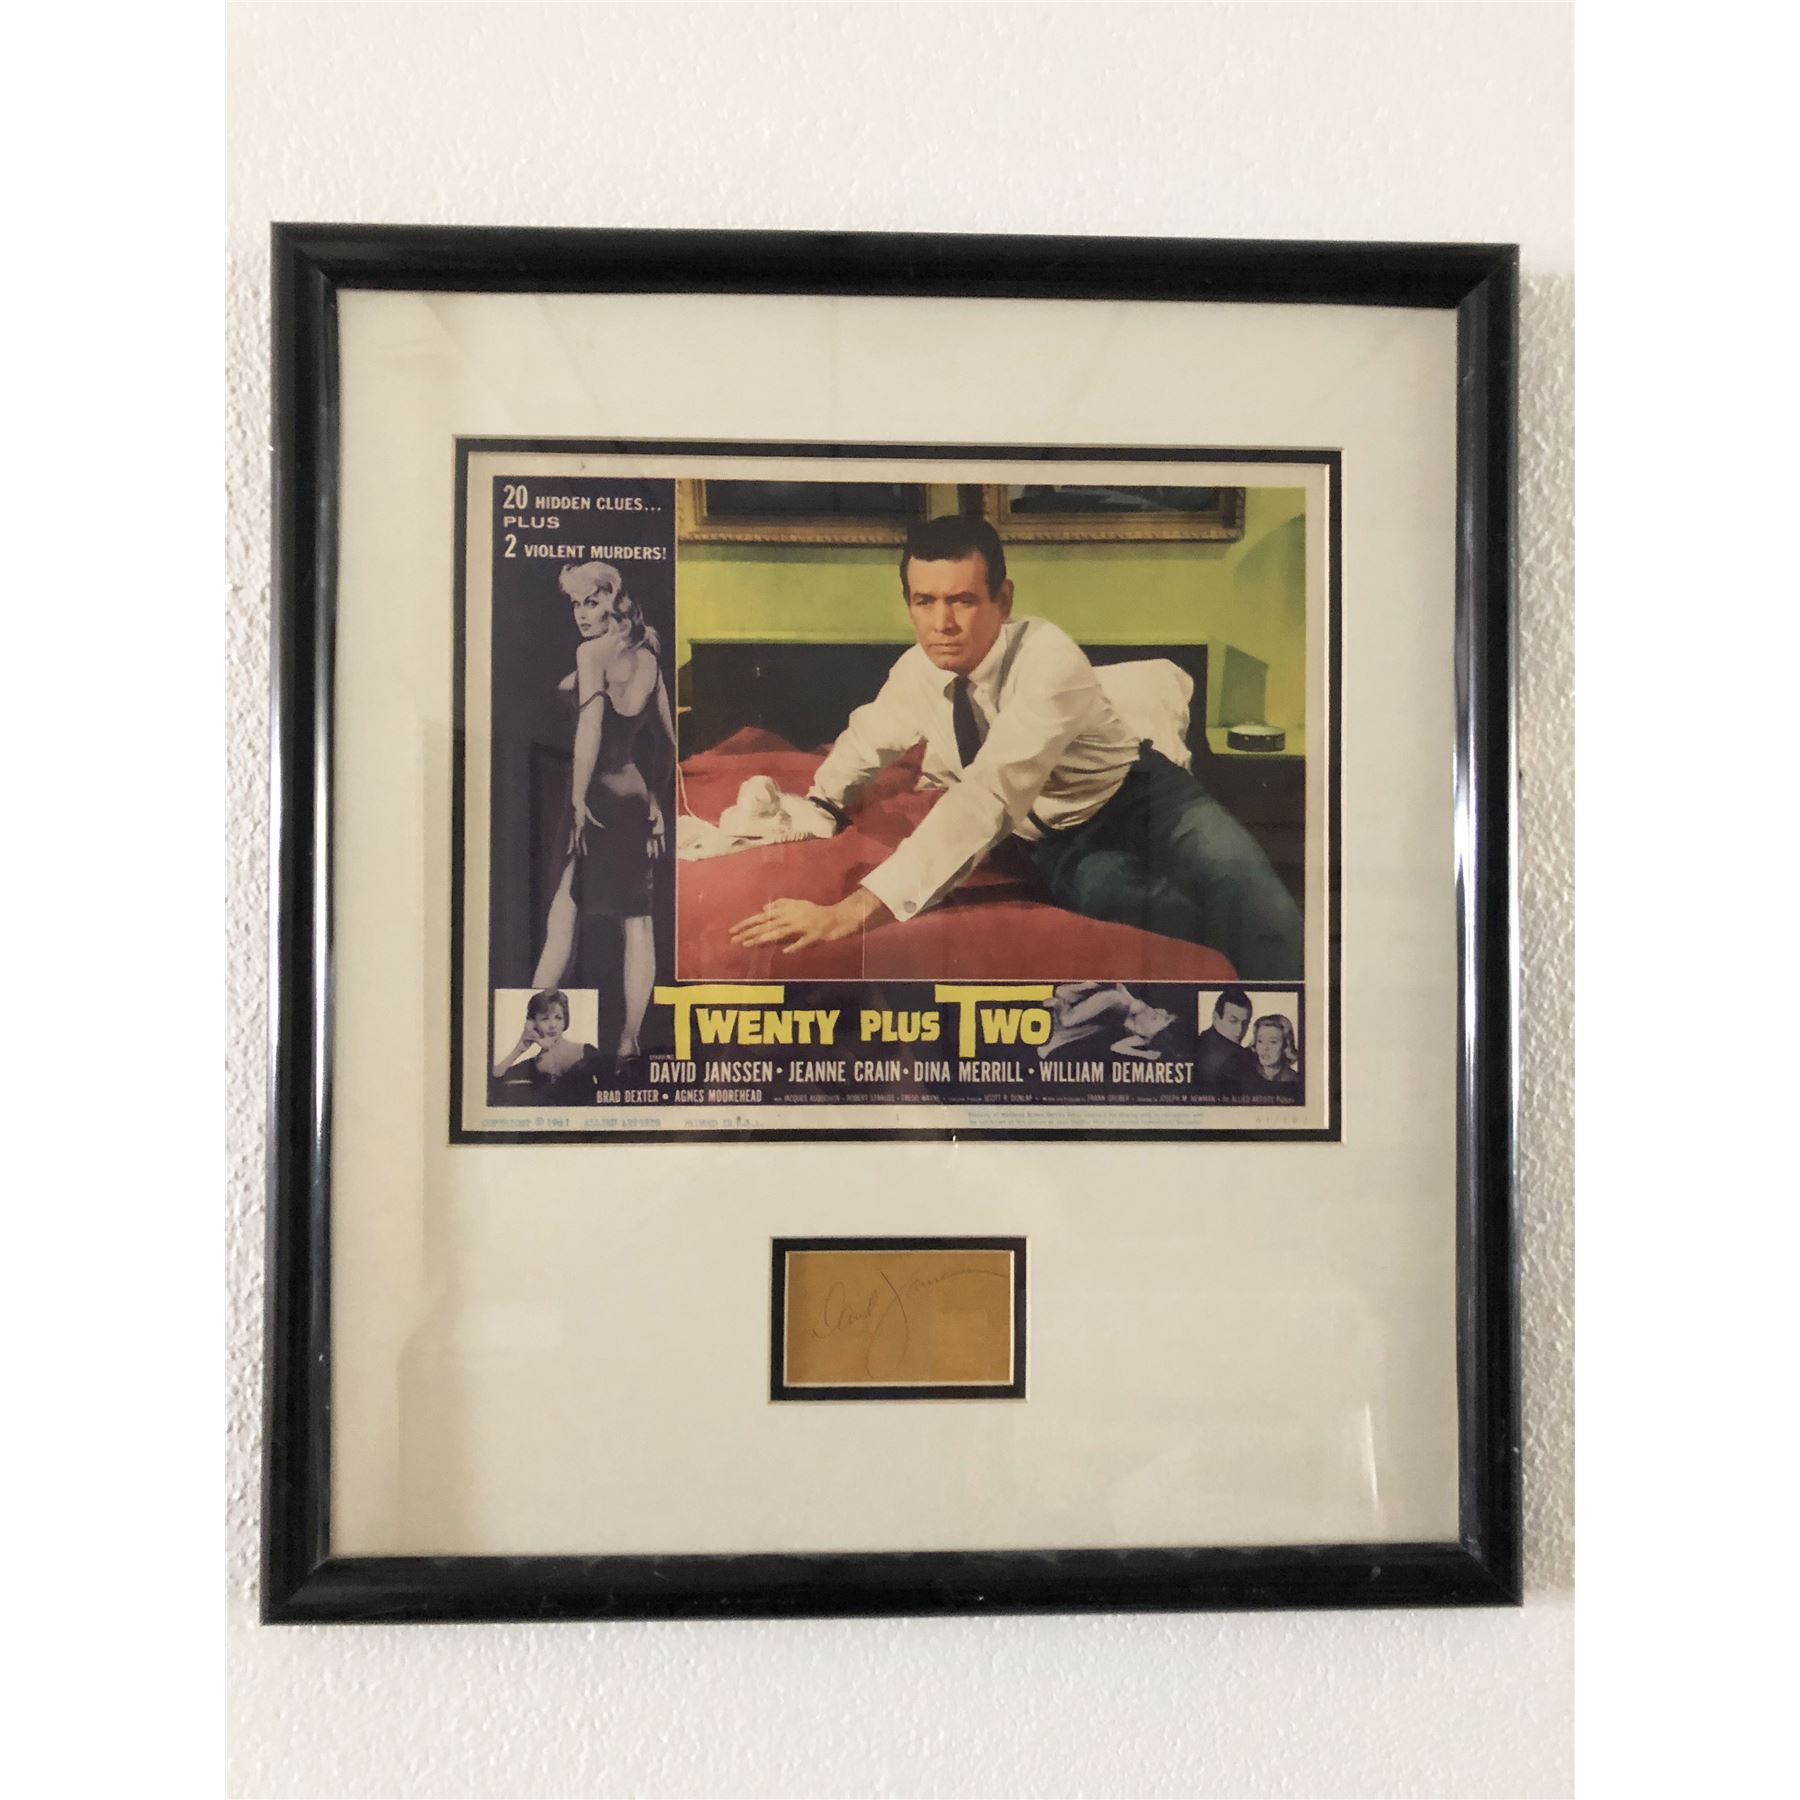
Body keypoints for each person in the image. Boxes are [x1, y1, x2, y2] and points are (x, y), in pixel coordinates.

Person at [727, 516, 1302, 978]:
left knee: (1249, 890)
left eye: (962, 600)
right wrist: (823, 801)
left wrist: (851, 912)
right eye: (924, 601)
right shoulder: (917, 672)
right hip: (1052, 840)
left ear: (1002, 600)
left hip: (1145, 799)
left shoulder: (1049, 660)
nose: (942, 623)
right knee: (1131, 905)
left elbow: (988, 795)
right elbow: (870, 737)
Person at [531, 561, 675, 1058]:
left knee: (562, 916)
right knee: (638, 922)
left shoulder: (591, 654)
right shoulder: (648, 656)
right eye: (575, 603)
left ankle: (528, 1038)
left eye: (590, 602)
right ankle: (629, 1042)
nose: (580, 613)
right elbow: (668, 743)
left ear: (613, 599)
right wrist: (656, 800)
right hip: (635, 801)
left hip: (597, 799)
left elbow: (591, 728)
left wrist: (576, 798)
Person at [491, 989, 603, 1105]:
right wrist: (518, 1050)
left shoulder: (587, 1052)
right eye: (545, 1019)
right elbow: (493, 1079)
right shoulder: (530, 1067)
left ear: (565, 1021)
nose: (553, 1025)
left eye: (558, 1018)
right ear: (533, 1024)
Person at [1040, 983, 1188, 1062]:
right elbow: (1122, 991)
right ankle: (1058, 1003)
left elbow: (1116, 1047)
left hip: (1096, 1013)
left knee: (1091, 1027)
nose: (1159, 1011)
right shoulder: (1124, 1002)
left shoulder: (1144, 1038)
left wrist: (1144, 1054)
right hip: (1105, 1000)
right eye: (1159, 1014)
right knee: (1067, 1020)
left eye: (1155, 1017)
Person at [1193, 987, 1257, 1094]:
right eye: (1233, 1021)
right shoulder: (1240, 1056)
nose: (1239, 1031)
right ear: (1215, 1018)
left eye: (1245, 1023)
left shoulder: (1204, 1037)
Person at [1243, 1013, 1302, 1094]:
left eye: (1273, 1042)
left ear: (1285, 1045)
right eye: (1260, 1041)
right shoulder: (1243, 1075)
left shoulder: (1294, 1080)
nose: (1265, 1048)